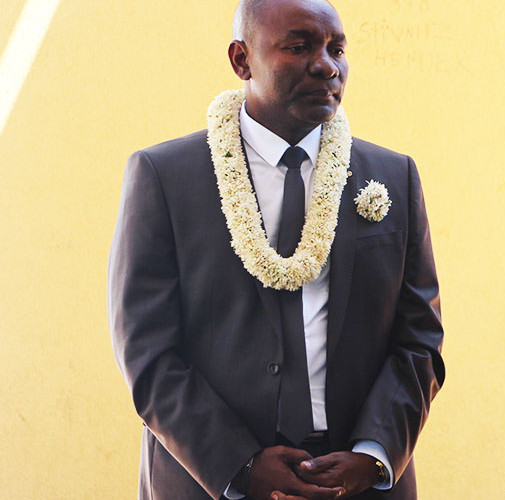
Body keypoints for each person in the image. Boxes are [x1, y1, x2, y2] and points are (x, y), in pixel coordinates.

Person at [108, 0, 444, 498]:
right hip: (210, 479)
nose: (327, 64)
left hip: (358, 482)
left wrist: (372, 455)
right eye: (299, 46)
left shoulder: (392, 176)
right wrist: (238, 465)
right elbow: (147, 349)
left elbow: (419, 339)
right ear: (242, 60)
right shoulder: (165, 177)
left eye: (337, 48)